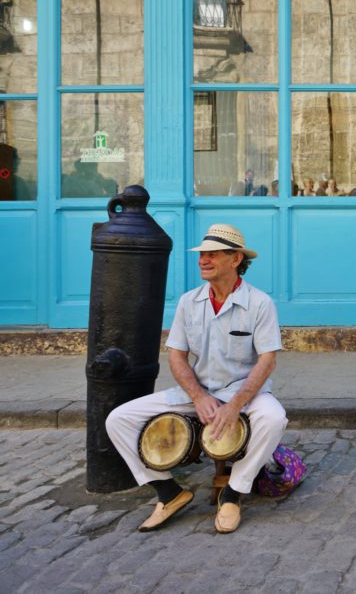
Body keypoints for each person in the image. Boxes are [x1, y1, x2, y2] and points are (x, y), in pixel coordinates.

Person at [106, 224, 288, 533]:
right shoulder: (188, 302)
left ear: (236, 259)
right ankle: (169, 493)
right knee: (118, 419)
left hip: (243, 393)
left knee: (275, 419)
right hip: (197, 393)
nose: (204, 260)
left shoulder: (260, 303)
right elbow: (176, 356)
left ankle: (233, 493)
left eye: (213, 254)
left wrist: (235, 405)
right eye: (202, 254)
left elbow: (267, 360)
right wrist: (199, 397)